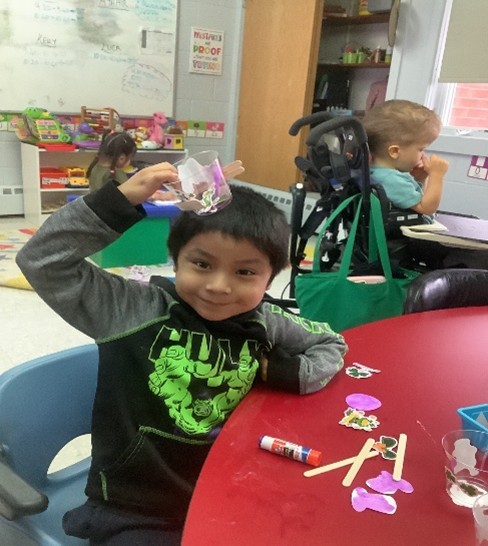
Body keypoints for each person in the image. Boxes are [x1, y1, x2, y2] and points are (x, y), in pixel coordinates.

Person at [16, 162, 347, 546]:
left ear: (272, 277)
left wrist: (282, 372)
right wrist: (119, 201)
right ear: (176, 260)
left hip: (228, 491)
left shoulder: (265, 320)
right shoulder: (130, 308)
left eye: (245, 273)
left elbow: (331, 343)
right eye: (202, 264)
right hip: (135, 509)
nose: (219, 286)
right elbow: (43, 261)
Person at [362, 99, 449, 223]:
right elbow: (426, 208)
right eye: (421, 149)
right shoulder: (391, 179)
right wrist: (437, 176)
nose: (423, 155)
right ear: (394, 151)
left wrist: (420, 178)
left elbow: (415, 199)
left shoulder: (380, 173)